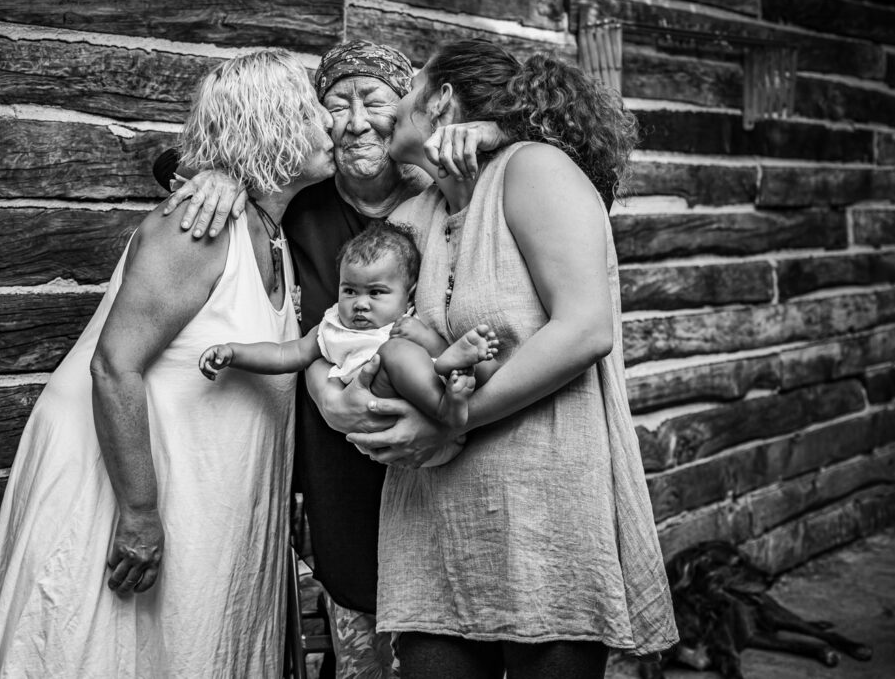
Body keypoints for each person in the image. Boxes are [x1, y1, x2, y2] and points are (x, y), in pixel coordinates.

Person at [0, 50, 335, 678]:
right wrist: (138, 514)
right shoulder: (197, 227)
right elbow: (114, 367)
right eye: (313, 113)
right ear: (273, 125)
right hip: (125, 480)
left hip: (201, 483)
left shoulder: (270, 226)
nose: (332, 125)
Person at [155, 40, 508, 679]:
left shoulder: (445, 193)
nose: (353, 122)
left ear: (407, 108)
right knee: (361, 627)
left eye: (373, 102)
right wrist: (218, 173)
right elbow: (196, 166)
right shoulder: (299, 202)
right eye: (335, 106)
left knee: (450, 631)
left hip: (451, 453)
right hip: (340, 460)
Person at [330, 38, 678, 678]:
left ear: (440, 99)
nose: (390, 112)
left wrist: (451, 419)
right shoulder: (413, 215)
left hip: (545, 512)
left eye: (407, 92)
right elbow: (371, 334)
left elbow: (583, 330)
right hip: (433, 526)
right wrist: (358, 406)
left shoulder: (533, 170)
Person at [199, 222, 500, 432]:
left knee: (478, 368)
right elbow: (283, 354)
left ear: (408, 295)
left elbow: (431, 355)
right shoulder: (332, 329)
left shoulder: (410, 320)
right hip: (381, 404)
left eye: (376, 293)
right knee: (395, 352)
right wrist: (234, 352)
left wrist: (428, 340)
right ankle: (446, 406)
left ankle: (464, 369)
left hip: (434, 401)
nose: (360, 303)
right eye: (350, 291)